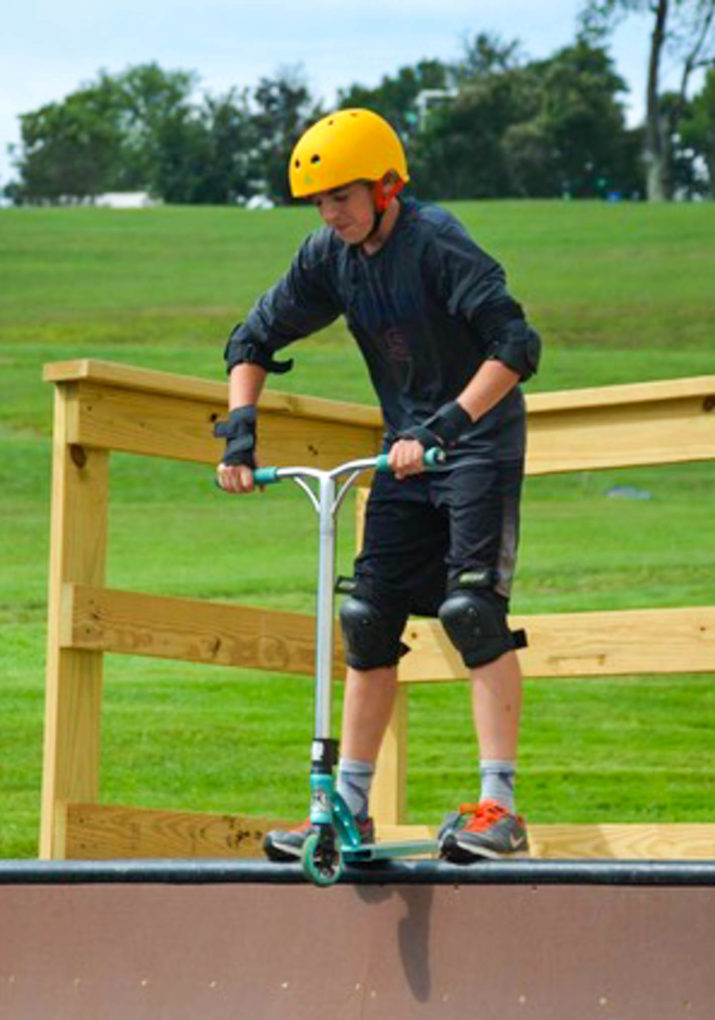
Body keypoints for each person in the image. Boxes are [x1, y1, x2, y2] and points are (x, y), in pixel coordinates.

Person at [215, 108, 541, 862]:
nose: (331, 214)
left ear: (386, 184)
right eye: (319, 202)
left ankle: (500, 806)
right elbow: (251, 339)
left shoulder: (435, 242)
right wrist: (239, 428)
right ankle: (347, 809)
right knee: (365, 616)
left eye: (343, 196)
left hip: (475, 442)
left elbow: (515, 344)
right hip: (403, 452)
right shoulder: (329, 255)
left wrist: (444, 428)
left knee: (470, 612)